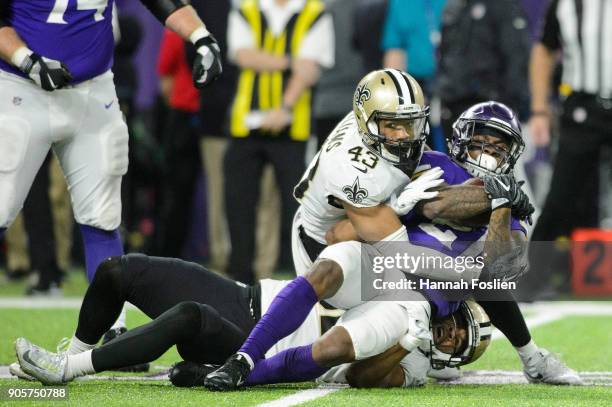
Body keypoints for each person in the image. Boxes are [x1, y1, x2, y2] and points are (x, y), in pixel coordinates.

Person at [203, 72, 532, 389]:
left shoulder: (395, 141)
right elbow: (345, 236)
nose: (405, 135)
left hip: (390, 273)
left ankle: (241, 367)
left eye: (410, 123)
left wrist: (497, 204)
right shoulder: (361, 171)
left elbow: (501, 262)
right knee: (331, 266)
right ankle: (244, 359)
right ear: (369, 124)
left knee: (336, 344)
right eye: (393, 126)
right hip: (330, 241)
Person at [0, 0, 222, 344]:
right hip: (21, 89)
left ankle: (111, 327)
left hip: (93, 90)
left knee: (103, 214)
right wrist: (26, 59)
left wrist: (201, 37)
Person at [13, 253, 476, 388]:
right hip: (248, 297)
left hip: (256, 349)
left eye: (459, 343)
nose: (451, 333)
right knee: (119, 271)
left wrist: (406, 344)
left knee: (190, 318)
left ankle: (70, 370)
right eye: (461, 323)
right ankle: (72, 350)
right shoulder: (409, 286)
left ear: (449, 362)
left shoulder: (414, 360)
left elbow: (362, 375)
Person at [223, 0, 335, 284]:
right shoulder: (245, 8)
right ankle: (240, 275)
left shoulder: (314, 12)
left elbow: (309, 70)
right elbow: (243, 55)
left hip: (292, 125)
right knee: (239, 203)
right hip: (245, 123)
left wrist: (283, 108)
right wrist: (288, 61)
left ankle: (296, 273)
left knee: (296, 204)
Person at [525, 0, 612, 297]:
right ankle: (530, 281)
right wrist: (538, 109)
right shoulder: (565, 4)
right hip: (581, 106)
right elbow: (544, 49)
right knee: (561, 196)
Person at [436, 0, 530, 140]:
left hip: (490, 107)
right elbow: (445, 54)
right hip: (454, 105)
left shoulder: (503, 6)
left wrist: (517, 107)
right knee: (453, 159)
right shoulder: (454, 7)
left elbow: (516, 58)